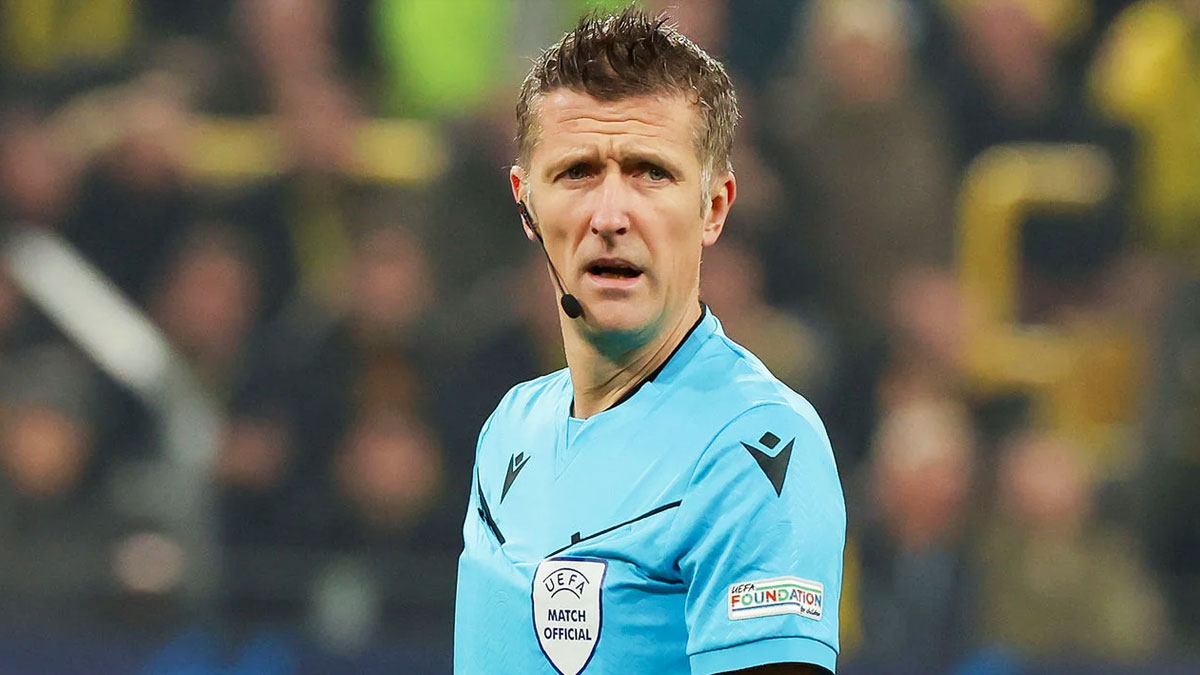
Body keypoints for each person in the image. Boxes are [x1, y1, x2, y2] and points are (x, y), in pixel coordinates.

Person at [454, 8, 845, 674]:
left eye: (651, 173)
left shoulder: (758, 445)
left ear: (713, 207)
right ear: (526, 204)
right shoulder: (509, 429)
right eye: (577, 172)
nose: (610, 216)